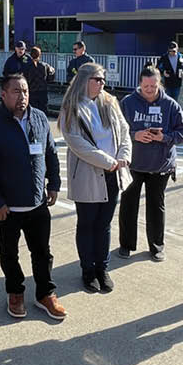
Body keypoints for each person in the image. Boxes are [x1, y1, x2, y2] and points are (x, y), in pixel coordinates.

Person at [0, 73, 65, 320]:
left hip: (37, 204)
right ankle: (15, 292)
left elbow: (50, 154)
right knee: (9, 253)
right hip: (8, 208)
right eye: (16, 91)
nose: (22, 96)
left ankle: (45, 294)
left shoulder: (40, 118)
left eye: (24, 91)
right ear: (3, 95)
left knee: (43, 253)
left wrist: (54, 183)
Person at [59, 62, 130, 294]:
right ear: (84, 80)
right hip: (89, 175)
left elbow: (124, 130)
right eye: (97, 79)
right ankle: (88, 270)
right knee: (87, 224)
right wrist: (109, 162)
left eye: (103, 80)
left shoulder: (109, 102)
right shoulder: (72, 107)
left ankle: (102, 267)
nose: (102, 84)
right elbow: (78, 145)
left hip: (113, 174)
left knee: (104, 224)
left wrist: (123, 156)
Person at [117, 65, 183, 262]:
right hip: (133, 164)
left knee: (156, 206)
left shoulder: (170, 105)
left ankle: (156, 246)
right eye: (146, 85)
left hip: (160, 165)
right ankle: (126, 244)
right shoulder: (128, 102)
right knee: (128, 205)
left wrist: (163, 137)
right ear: (139, 83)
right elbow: (115, 131)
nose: (150, 89)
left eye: (154, 85)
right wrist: (135, 135)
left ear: (160, 84)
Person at [25, 46, 56, 114]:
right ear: (40, 55)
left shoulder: (27, 66)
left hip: (31, 92)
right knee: (43, 112)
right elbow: (51, 76)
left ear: (30, 55)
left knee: (32, 112)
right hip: (42, 92)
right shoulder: (45, 65)